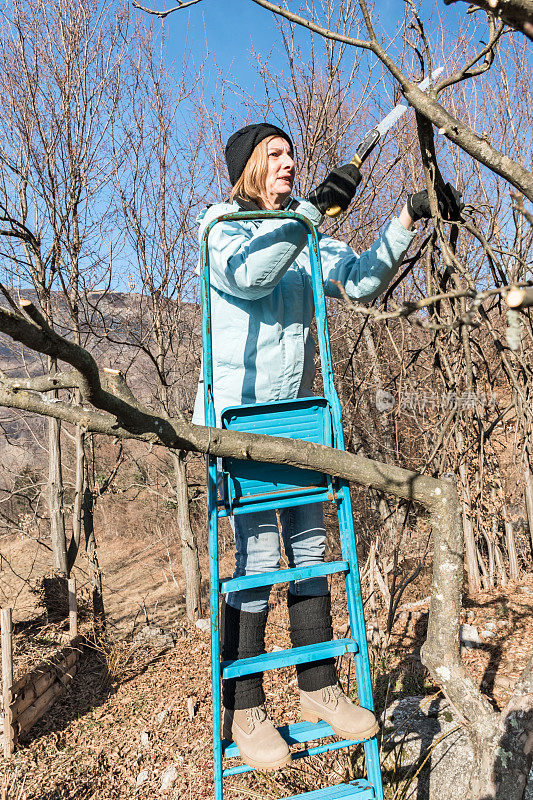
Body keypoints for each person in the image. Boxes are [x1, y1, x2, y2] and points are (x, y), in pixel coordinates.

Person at [192, 122, 462, 772]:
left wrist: (407, 213)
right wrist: (310, 213)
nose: (288, 162)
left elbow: (362, 281)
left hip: (301, 421)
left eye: (292, 154)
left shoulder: (305, 233)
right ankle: (247, 710)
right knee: (257, 560)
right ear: (249, 167)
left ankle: (319, 689)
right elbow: (251, 276)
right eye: (275, 155)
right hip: (240, 423)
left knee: (310, 552)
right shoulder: (220, 227)